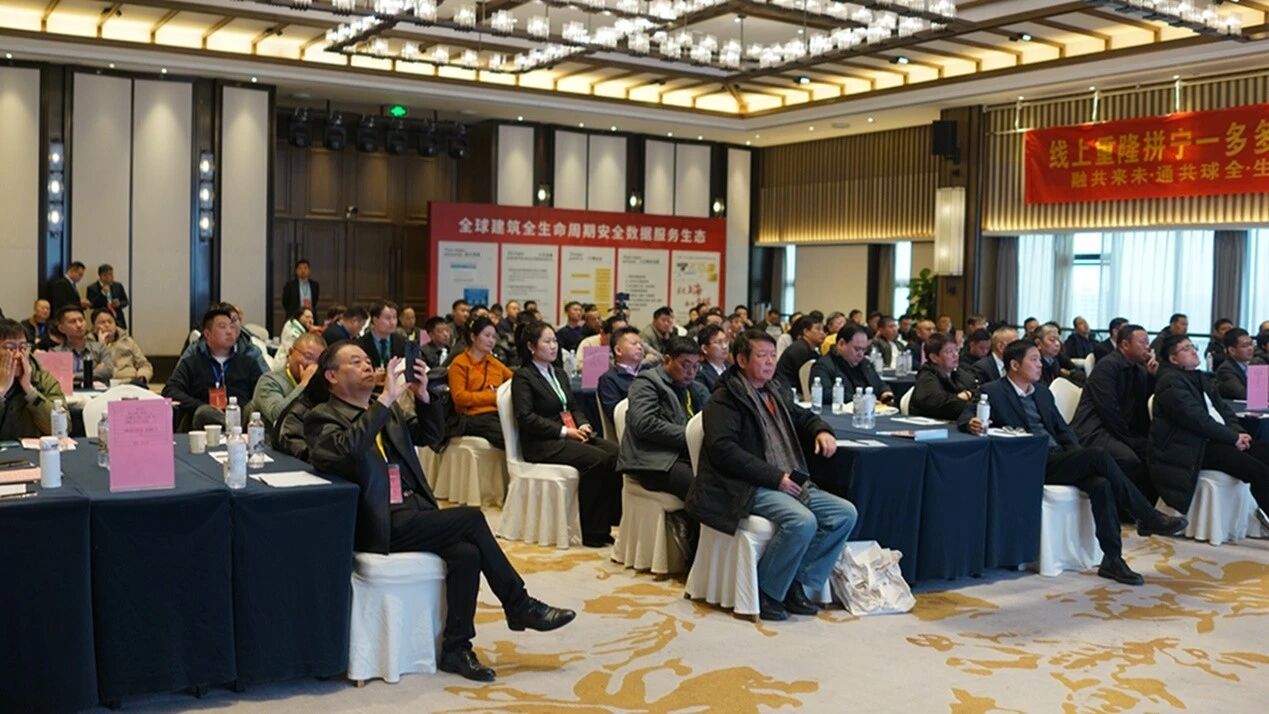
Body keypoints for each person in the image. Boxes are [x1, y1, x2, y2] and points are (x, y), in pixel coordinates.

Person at [304, 343, 574, 682]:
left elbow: (432, 436)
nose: (366, 366)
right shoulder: (322, 417)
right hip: (375, 521)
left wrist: (423, 397)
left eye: (368, 361)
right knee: (471, 518)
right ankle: (518, 604)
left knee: (467, 553)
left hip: (412, 509)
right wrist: (386, 399)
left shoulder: (382, 408)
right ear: (331, 376)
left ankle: (456, 649)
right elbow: (348, 449)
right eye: (355, 362)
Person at [960, 340, 1186, 585]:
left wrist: (1078, 458)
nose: (1040, 365)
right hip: (1028, 462)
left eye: (1039, 359)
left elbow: (1063, 430)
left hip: (1056, 458)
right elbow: (967, 415)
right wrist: (971, 422)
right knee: (1098, 455)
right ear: (1015, 365)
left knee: (1101, 484)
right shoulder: (993, 391)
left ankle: (1113, 559)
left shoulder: (1042, 393)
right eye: (1034, 360)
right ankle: (1146, 515)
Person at [686, 329, 857, 621]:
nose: (769, 362)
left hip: (787, 479)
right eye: (762, 356)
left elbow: (802, 416)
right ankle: (767, 591)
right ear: (741, 360)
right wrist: (775, 477)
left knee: (844, 514)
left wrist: (821, 430)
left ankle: (795, 582)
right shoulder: (724, 399)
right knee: (802, 520)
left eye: (773, 355)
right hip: (744, 485)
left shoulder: (775, 390)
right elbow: (724, 451)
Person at [512, 322, 621, 547]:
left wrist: (583, 424)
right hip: (541, 442)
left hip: (569, 432)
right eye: (547, 341)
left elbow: (573, 407)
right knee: (597, 460)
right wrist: (564, 431)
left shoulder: (559, 373)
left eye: (555, 341)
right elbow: (526, 418)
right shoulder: (523, 376)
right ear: (531, 346)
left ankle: (608, 520)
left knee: (616, 452)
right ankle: (591, 529)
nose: (554, 346)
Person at [1151, 334, 1269, 532]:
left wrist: (1238, 432)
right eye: (1186, 349)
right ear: (1173, 359)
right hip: (1188, 449)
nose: (1193, 351)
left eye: (1192, 346)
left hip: (1215, 440)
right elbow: (1198, 421)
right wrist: (1233, 437)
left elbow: (1224, 411)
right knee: (1257, 471)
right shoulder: (1170, 382)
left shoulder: (1199, 377)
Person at [619, 336, 709, 562]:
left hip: (682, 456)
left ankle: (714, 554)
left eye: (696, 366)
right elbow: (644, 424)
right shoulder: (647, 383)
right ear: (667, 360)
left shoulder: (696, 388)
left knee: (722, 480)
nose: (691, 372)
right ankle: (697, 557)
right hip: (651, 461)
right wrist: (690, 436)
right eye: (685, 365)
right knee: (700, 487)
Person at [1071, 324, 1157, 502]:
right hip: (1094, 428)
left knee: (1156, 451)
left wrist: (1151, 377)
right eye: (1142, 342)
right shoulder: (1107, 366)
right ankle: (1125, 508)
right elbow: (1108, 410)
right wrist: (1129, 439)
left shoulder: (1138, 369)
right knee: (1129, 459)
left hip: (1118, 429)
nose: (1147, 347)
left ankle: (1146, 508)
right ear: (1125, 345)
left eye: (1148, 342)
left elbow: (1141, 409)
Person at [163, 307, 265, 430]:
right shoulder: (192, 363)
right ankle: (229, 427)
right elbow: (170, 390)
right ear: (207, 334)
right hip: (206, 426)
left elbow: (263, 390)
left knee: (253, 408)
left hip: (242, 422)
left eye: (232, 327)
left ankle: (232, 428)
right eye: (223, 327)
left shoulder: (247, 363)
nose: (229, 332)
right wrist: (198, 405)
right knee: (204, 412)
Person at [447, 316, 513, 449]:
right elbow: (459, 397)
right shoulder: (460, 363)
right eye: (487, 335)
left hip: (498, 413)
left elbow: (514, 379)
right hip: (473, 416)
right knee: (509, 437)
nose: (491, 340)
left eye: (493, 337)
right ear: (473, 337)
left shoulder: (493, 362)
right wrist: (493, 396)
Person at [0, 320, 63, 439]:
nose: (18, 355)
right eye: (10, 348)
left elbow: (61, 429)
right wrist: (1, 391)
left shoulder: (43, 379)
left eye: (23, 347)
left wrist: (30, 391)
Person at [253, 331, 324, 433]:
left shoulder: (321, 386)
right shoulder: (269, 380)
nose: (312, 366)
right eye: (308, 357)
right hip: (270, 440)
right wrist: (304, 384)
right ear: (290, 353)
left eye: (318, 361)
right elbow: (277, 416)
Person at [810, 324, 894, 404]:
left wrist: (885, 392)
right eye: (857, 349)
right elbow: (825, 394)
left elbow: (879, 383)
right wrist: (860, 400)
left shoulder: (865, 363)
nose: (861, 354)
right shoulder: (823, 366)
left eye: (864, 350)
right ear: (841, 343)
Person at [910, 333, 978, 420]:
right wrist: (960, 398)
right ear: (934, 357)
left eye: (956, 350)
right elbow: (939, 403)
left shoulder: (958, 373)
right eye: (949, 352)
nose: (955, 355)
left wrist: (967, 394)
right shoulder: (927, 376)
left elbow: (976, 388)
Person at [48, 306, 112, 386]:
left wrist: (74, 376)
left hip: (97, 392)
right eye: (72, 322)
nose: (79, 325)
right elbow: (55, 378)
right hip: (68, 393)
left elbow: (107, 372)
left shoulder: (100, 348)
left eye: (81, 320)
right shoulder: (55, 352)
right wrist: (94, 372)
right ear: (61, 328)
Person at [597, 327, 646, 427]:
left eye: (641, 344)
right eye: (634, 344)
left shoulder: (650, 371)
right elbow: (615, 415)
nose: (640, 347)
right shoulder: (609, 378)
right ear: (618, 350)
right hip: (634, 427)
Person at [89, 310, 151, 385]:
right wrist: (101, 346)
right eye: (102, 322)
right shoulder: (88, 344)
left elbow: (145, 365)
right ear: (94, 327)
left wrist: (141, 378)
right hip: (103, 384)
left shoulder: (127, 341)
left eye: (110, 322)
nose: (107, 325)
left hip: (129, 382)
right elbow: (91, 371)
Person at [775, 315, 825, 394]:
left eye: (823, 329)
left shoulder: (809, 349)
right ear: (806, 332)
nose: (822, 333)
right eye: (818, 329)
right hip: (788, 393)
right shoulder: (800, 350)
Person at [356, 300, 406, 373]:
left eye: (394, 317)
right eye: (388, 318)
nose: (392, 322)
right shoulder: (361, 344)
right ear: (375, 320)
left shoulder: (402, 341)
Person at [86, 264, 130, 330]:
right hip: (102, 321)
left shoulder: (118, 286)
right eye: (109, 275)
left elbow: (125, 301)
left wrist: (119, 304)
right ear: (102, 276)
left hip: (118, 319)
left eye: (112, 274)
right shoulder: (92, 288)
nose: (111, 277)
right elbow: (92, 305)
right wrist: (102, 293)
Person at [1214, 328, 1254, 401]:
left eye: (1251, 344)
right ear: (1232, 350)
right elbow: (1242, 393)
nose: (1250, 348)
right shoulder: (1226, 370)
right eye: (1244, 346)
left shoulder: (1251, 365)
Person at [696, 324, 730, 392]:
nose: (725, 346)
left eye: (726, 341)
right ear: (704, 348)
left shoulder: (731, 367)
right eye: (719, 342)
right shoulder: (700, 373)